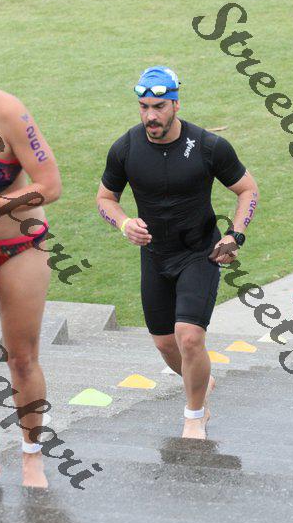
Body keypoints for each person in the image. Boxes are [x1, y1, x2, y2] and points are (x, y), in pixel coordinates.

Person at [96, 66, 259, 439]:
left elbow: (247, 189)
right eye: (144, 107)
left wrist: (235, 235)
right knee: (165, 343)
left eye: (158, 107)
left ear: (175, 104)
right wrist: (123, 223)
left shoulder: (208, 146)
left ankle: (194, 415)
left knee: (189, 337)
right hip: (155, 256)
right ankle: (200, 380)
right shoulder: (126, 148)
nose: (150, 116)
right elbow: (105, 198)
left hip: (199, 253)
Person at [0, 37, 62, 490]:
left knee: (21, 357)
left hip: (22, 243)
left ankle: (31, 454)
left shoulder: (6, 111)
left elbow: (50, 185)